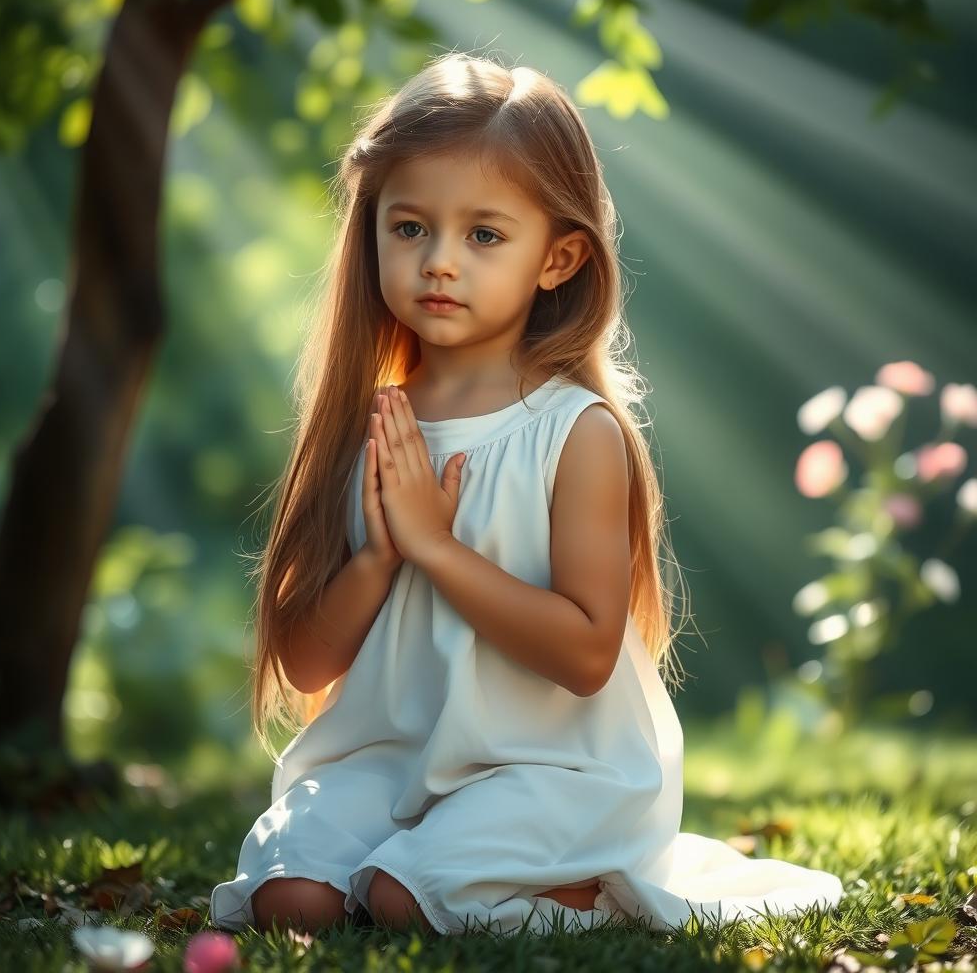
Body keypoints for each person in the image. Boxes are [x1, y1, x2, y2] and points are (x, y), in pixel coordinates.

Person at [209, 50, 844, 939]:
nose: (439, 262)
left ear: (559, 257)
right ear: (371, 232)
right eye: (409, 228)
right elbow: (308, 663)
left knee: (403, 901)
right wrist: (387, 552)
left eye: (484, 235)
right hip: (389, 766)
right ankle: (426, 858)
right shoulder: (366, 427)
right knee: (291, 902)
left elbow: (586, 655)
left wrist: (438, 548)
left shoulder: (575, 433)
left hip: (546, 774)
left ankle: (588, 887)